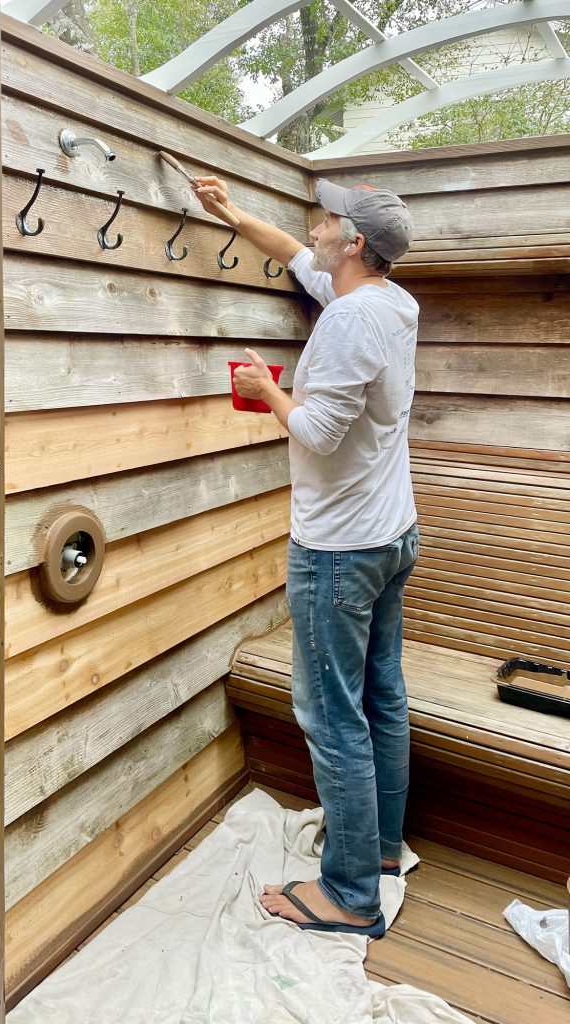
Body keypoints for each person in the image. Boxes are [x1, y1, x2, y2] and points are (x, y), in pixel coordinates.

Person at [193, 174, 419, 938]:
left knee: (333, 718)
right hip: (390, 536)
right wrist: (228, 212)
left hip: (339, 550)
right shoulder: (387, 301)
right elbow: (292, 251)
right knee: (381, 695)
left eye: (331, 219)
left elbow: (317, 433)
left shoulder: (352, 322)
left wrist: (265, 387)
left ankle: (349, 897)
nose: (316, 223)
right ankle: (382, 852)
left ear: (354, 243)